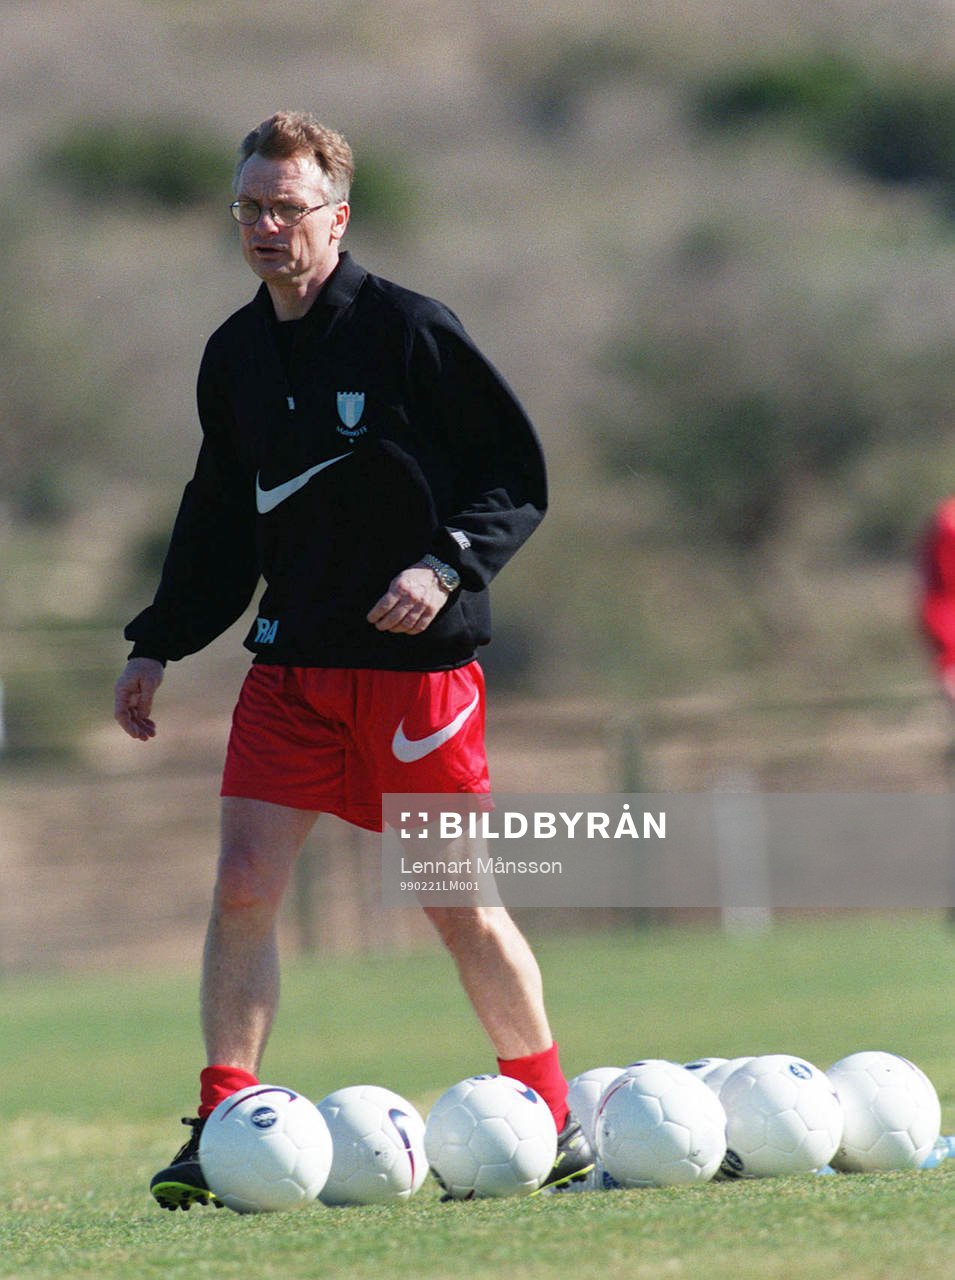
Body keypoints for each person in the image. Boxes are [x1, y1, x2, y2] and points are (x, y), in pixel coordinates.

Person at [113, 110, 593, 1209]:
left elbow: (515, 474)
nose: (265, 226)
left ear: (335, 217)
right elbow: (219, 515)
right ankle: (224, 1117)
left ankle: (551, 1109)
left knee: (455, 903)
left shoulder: (411, 330)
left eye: (286, 207)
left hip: (416, 679)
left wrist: (444, 568)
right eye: (249, 206)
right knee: (242, 886)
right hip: (289, 671)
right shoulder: (233, 354)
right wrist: (159, 639)